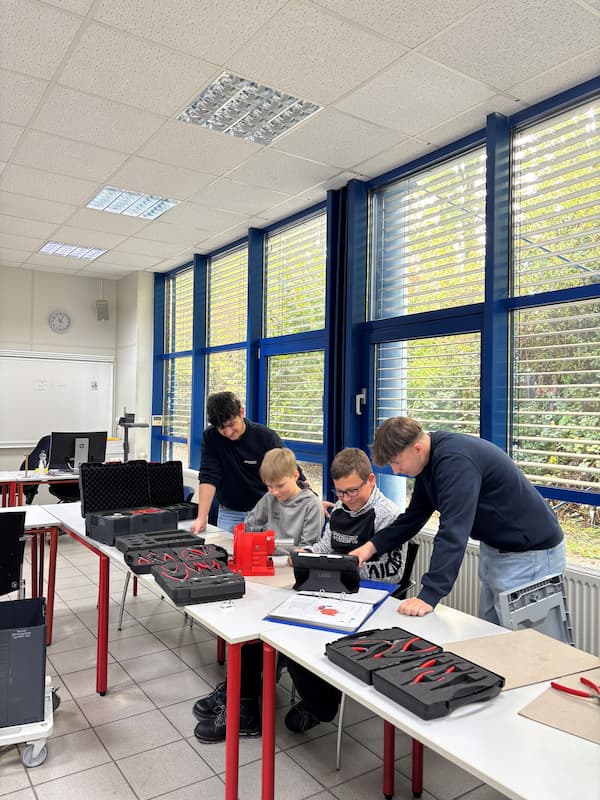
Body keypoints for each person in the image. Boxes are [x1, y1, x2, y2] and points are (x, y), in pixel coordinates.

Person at [350, 417, 566, 626]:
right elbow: (413, 518)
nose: (396, 471)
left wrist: (429, 595)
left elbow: (453, 529)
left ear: (417, 448)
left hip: (531, 555)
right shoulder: (428, 462)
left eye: (396, 462)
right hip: (498, 551)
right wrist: (370, 548)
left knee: (526, 645)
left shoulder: (455, 461)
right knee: (492, 637)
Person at [192, 446, 324, 744]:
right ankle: (239, 692)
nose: (274, 492)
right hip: (266, 574)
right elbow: (250, 525)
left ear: (295, 475)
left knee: (254, 630)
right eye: (269, 486)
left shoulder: (311, 506)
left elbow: (307, 550)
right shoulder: (269, 498)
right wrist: (264, 541)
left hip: (294, 583)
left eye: (279, 485)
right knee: (242, 625)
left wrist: (272, 543)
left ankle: (245, 705)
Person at [283, 447, 404, 733]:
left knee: (312, 638)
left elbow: (393, 572)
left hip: (369, 598)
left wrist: (345, 568)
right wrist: (307, 554)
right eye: (340, 492)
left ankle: (321, 705)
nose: (346, 499)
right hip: (334, 591)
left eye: (352, 491)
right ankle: (318, 697)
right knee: (287, 635)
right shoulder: (339, 509)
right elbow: (326, 546)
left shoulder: (387, 515)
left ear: (371, 480)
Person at [191, 391, 306, 534]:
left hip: (266, 511)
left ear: (241, 412)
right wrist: (201, 518)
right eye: (222, 428)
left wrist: (310, 499)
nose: (228, 432)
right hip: (230, 512)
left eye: (232, 424)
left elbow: (290, 470)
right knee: (226, 546)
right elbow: (209, 476)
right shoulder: (211, 437)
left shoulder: (265, 436)